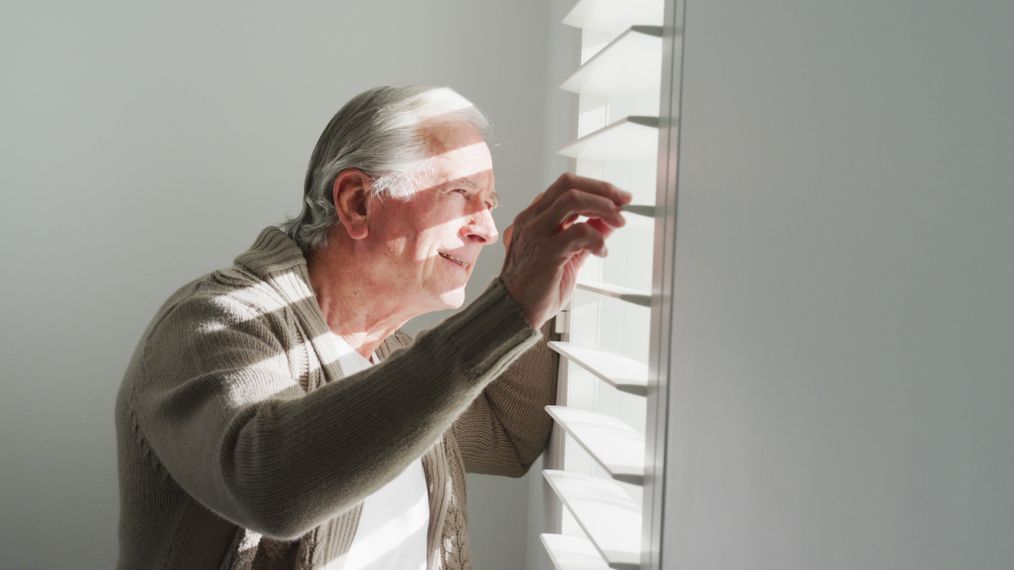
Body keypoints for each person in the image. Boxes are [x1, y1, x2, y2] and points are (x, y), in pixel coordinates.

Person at [113, 85, 630, 569]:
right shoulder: (211, 324)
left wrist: (547, 291)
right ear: (358, 203)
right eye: (461, 194)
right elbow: (271, 485)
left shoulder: (390, 354)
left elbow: (505, 430)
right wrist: (508, 307)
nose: (488, 231)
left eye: (489, 204)